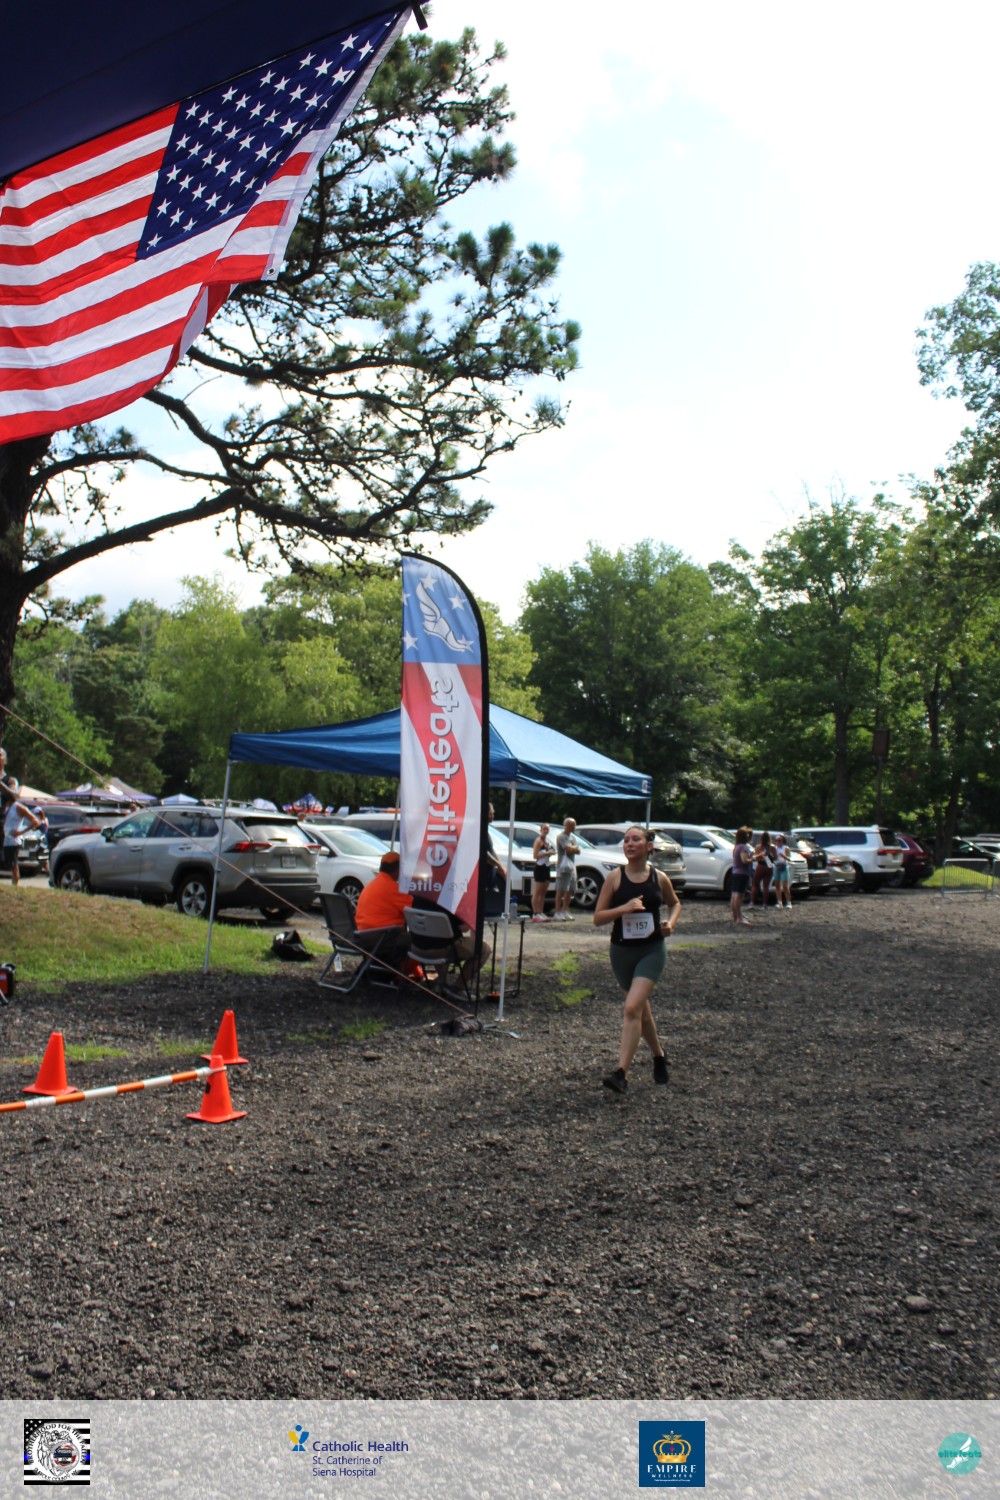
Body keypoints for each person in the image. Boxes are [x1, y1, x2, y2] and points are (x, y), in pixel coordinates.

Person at [595, 824, 681, 1093]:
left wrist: (670, 924)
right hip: (621, 952)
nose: (629, 844)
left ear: (648, 846)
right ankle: (659, 1056)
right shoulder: (615, 878)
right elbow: (598, 918)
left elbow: (675, 904)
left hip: (651, 950)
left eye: (635, 839)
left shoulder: (659, 878)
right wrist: (623, 908)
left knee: (632, 1008)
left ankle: (621, 1073)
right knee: (641, 1011)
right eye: (626, 840)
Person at [410, 893, 491, 993]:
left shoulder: (419, 896)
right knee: (484, 949)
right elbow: (465, 928)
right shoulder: (450, 900)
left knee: (437, 939)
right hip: (443, 950)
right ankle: (457, 988)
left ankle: (442, 982)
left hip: (416, 948)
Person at [353, 850, 413, 966]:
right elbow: (415, 910)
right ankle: (401, 972)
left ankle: (401, 971)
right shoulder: (393, 888)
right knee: (419, 942)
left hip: (360, 936)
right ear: (398, 869)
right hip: (380, 937)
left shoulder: (371, 885)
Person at [2, 779, 45, 888]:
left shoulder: (19, 807)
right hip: (6, 840)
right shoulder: (6, 807)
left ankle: (15, 886)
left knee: (13, 864)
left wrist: (20, 832)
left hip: (13, 841)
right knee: (9, 864)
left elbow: (36, 821)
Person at [553, 816, 580, 921]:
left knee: (570, 889)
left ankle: (565, 910)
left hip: (572, 865)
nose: (574, 827)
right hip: (563, 866)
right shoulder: (561, 837)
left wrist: (573, 848)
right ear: (567, 826)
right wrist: (573, 848)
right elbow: (568, 849)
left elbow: (578, 850)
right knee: (561, 889)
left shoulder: (572, 837)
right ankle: (557, 912)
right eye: (573, 825)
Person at [530, 822, 555, 922]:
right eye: (544, 829)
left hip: (546, 866)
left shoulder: (547, 841)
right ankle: (535, 913)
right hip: (539, 867)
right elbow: (535, 855)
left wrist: (551, 853)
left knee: (543, 892)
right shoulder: (538, 841)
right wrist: (546, 853)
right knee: (538, 892)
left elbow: (549, 852)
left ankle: (540, 912)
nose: (546, 830)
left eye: (547, 829)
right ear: (541, 830)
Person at [730, 826, 754, 926]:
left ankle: (735, 916)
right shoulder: (743, 847)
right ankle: (739, 918)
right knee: (739, 896)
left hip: (735, 872)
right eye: (747, 835)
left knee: (734, 894)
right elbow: (744, 860)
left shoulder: (736, 846)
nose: (748, 836)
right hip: (742, 873)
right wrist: (753, 859)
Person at [752, 830, 776, 911]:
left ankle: (752, 902)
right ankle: (764, 904)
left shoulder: (758, 847)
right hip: (769, 867)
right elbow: (775, 858)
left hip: (760, 866)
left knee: (755, 884)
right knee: (766, 886)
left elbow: (756, 858)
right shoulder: (772, 847)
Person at [772, 834, 793, 910]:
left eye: (779, 840)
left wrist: (783, 856)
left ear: (782, 841)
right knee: (777, 885)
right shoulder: (774, 848)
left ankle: (788, 902)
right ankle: (779, 902)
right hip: (777, 866)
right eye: (776, 840)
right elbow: (773, 858)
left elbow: (789, 858)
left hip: (784, 866)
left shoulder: (786, 848)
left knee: (785, 886)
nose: (778, 842)